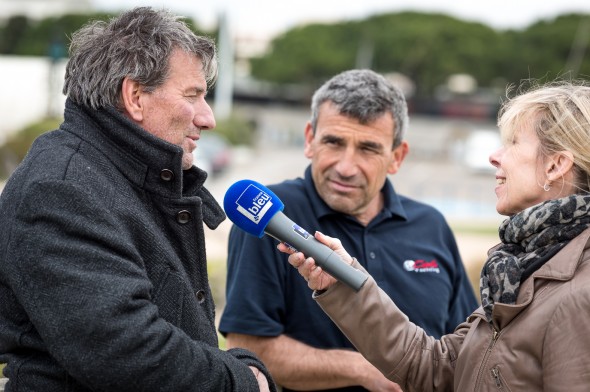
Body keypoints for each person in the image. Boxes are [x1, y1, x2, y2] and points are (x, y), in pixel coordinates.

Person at [0, 7, 276, 391]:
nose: (208, 118)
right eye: (193, 95)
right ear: (135, 96)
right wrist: (243, 380)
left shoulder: (126, 177)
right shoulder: (62, 189)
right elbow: (125, 351)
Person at [284, 80, 590, 391]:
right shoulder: (520, 266)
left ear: (556, 165)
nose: (495, 157)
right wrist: (343, 281)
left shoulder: (580, 293)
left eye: (513, 143)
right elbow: (436, 367)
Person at [218, 69, 478, 391]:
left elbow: (469, 348)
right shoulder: (272, 217)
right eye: (333, 142)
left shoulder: (431, 225)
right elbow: (248, 348)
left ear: (397, 156)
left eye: (367, 149)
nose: (345, 166)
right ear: (310, 139)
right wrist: (367, 369)